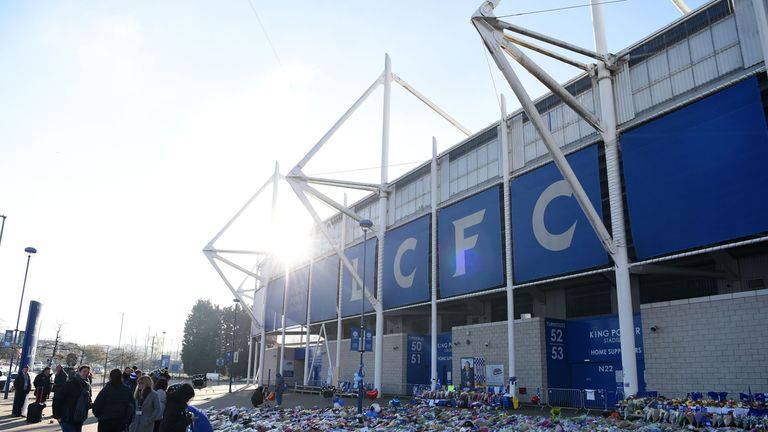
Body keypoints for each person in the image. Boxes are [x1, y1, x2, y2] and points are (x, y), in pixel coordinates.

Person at [53, 365, 92, 432]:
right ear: (79, 372)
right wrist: (57, 416)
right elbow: (57, 399)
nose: (86, 374)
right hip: (67, 418)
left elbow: (88, 400)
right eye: (84, 371)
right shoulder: (69, 384)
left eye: (88, 372)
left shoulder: (87, 386)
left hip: (79, 418)